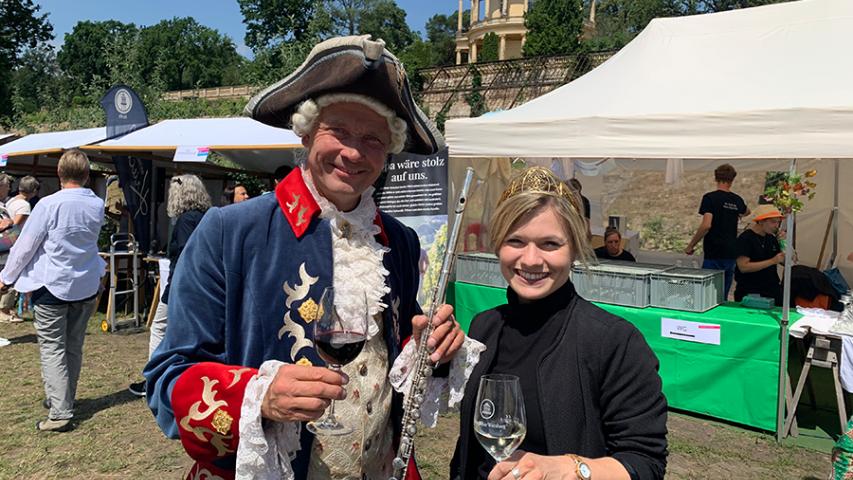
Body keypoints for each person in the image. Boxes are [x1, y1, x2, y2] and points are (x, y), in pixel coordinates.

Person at [144, 35, 473, 480]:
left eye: (374, 139)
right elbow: (167, 379)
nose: (354, 152)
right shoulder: (228, 231)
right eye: (339, 131)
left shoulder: (401, 241)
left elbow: (393, 360)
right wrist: (258, 397)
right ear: (306, 131)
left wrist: (431, 347)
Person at [451, 167, 668, 480]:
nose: (530, 260)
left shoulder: (614, 341)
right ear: (498, 245)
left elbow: (645, 463)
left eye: (550, 244)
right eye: (516, 241)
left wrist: (568, 467)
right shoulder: (485, 326)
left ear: (575, 249)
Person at [0, 149, 105, 432]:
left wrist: (6, 277)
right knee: (72, 346)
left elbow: (25, 245)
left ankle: (60, 411)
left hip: (52, 284)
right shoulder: (96, 204)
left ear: (59, 174)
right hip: (84, 282)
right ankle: (63, 398)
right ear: (85, 175)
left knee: (52, 348)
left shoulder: (48, 205)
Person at [128, 174, 212, 397]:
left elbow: (186, 254)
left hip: (182, 284)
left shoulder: (185, 220)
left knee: (159, 327)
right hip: (201, 285)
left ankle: (153, 380)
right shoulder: (206, 217)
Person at [684, 164, 749, 299]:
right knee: (722, 295)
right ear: (732, 180)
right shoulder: (737, 200)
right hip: (731, 252)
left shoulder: (710, 198)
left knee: (706, 295)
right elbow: (747, 211)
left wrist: (691, 245)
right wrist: (737, 213)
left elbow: (706, 225)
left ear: (715, 178)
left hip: (714, 251)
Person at [0, 175, 40, 323]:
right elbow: (15, 227)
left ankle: (6, 309)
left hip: (4, 244)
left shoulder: (10, 201)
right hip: (11, 245)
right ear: (34, 190)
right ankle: (4, 310)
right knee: (10, 277)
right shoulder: (24, 206)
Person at [733, 204, 785, 305]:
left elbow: (784, 261)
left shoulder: (771, 238)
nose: (776, 226)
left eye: (778, 222)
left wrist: (785, 244)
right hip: (751, 290)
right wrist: (772, 261)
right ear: (761, 221)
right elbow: (743, 267)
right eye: (773, 222)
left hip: (772, 289)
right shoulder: (746, 238)